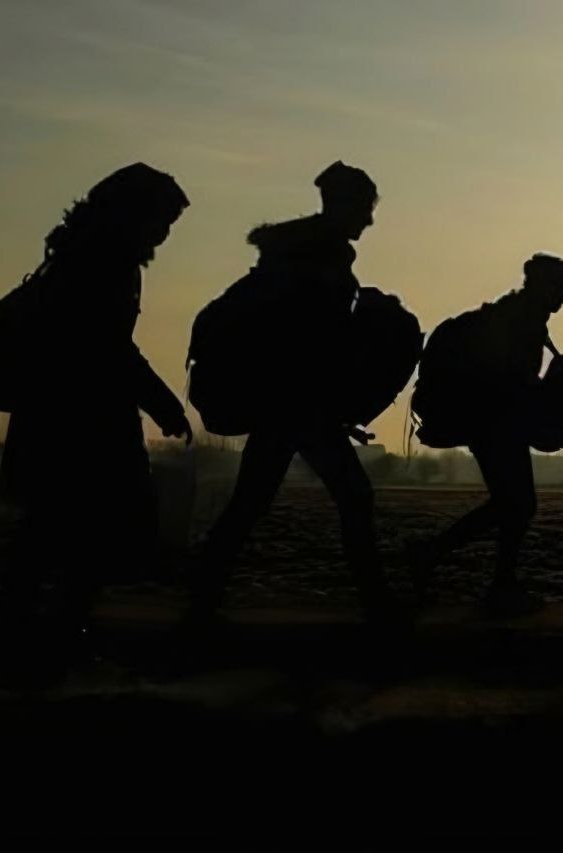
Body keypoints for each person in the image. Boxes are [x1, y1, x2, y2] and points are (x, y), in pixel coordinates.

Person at [0, 163, 193, 690]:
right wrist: (161, 402)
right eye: (162, 221)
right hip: (85, 424)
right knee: (81, 539)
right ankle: (50, 647)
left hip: (55, 419)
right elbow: (108, 347)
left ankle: (30, 646)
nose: (165, 235)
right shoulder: (106, 265)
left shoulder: (76, 255)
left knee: (51, 537)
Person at [187, 162, 400, 627]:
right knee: (352, 496)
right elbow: (310, 342)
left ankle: (201, 600)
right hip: (298, 405)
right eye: (365, 208)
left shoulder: (302, 257)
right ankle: (377, 605)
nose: (369, 220)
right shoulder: (315, 263)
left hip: (288, 405)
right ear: (343, 205)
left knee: (251, 503)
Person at [409, 254, 563, 616]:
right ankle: (488, 580)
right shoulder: (520, 322)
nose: (562, 296)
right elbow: (508, 379)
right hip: (495, 424)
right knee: (517, 505)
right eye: (558, 287)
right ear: (540, 286)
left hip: (492, 422)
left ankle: (443, 558)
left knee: (512, 504)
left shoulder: (517, 317)